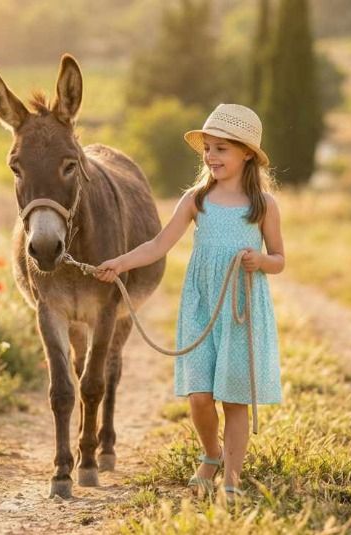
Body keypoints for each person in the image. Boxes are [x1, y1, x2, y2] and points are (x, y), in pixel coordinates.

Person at [93, 103, 285, 500]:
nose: (211, 157)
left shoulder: (263, 205)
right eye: (208, 149)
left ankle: (231, 479)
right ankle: (211, 454)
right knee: (200, 397)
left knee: (233, 399)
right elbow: (159, 244)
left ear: (246, 153)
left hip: (240, 308)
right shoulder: (197, 199)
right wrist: (120, 262)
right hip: (201, 306)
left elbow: (280, 260)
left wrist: (260, 261)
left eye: (221, 149)